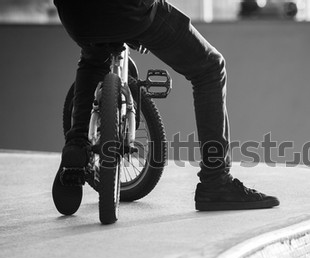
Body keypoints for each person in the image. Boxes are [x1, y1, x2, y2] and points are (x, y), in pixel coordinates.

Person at [52, 0, 279, 214]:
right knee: (210, 67)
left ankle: (77, 145)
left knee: (94, 53)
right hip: (129, 9)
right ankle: (216, 181)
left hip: (74, 14)